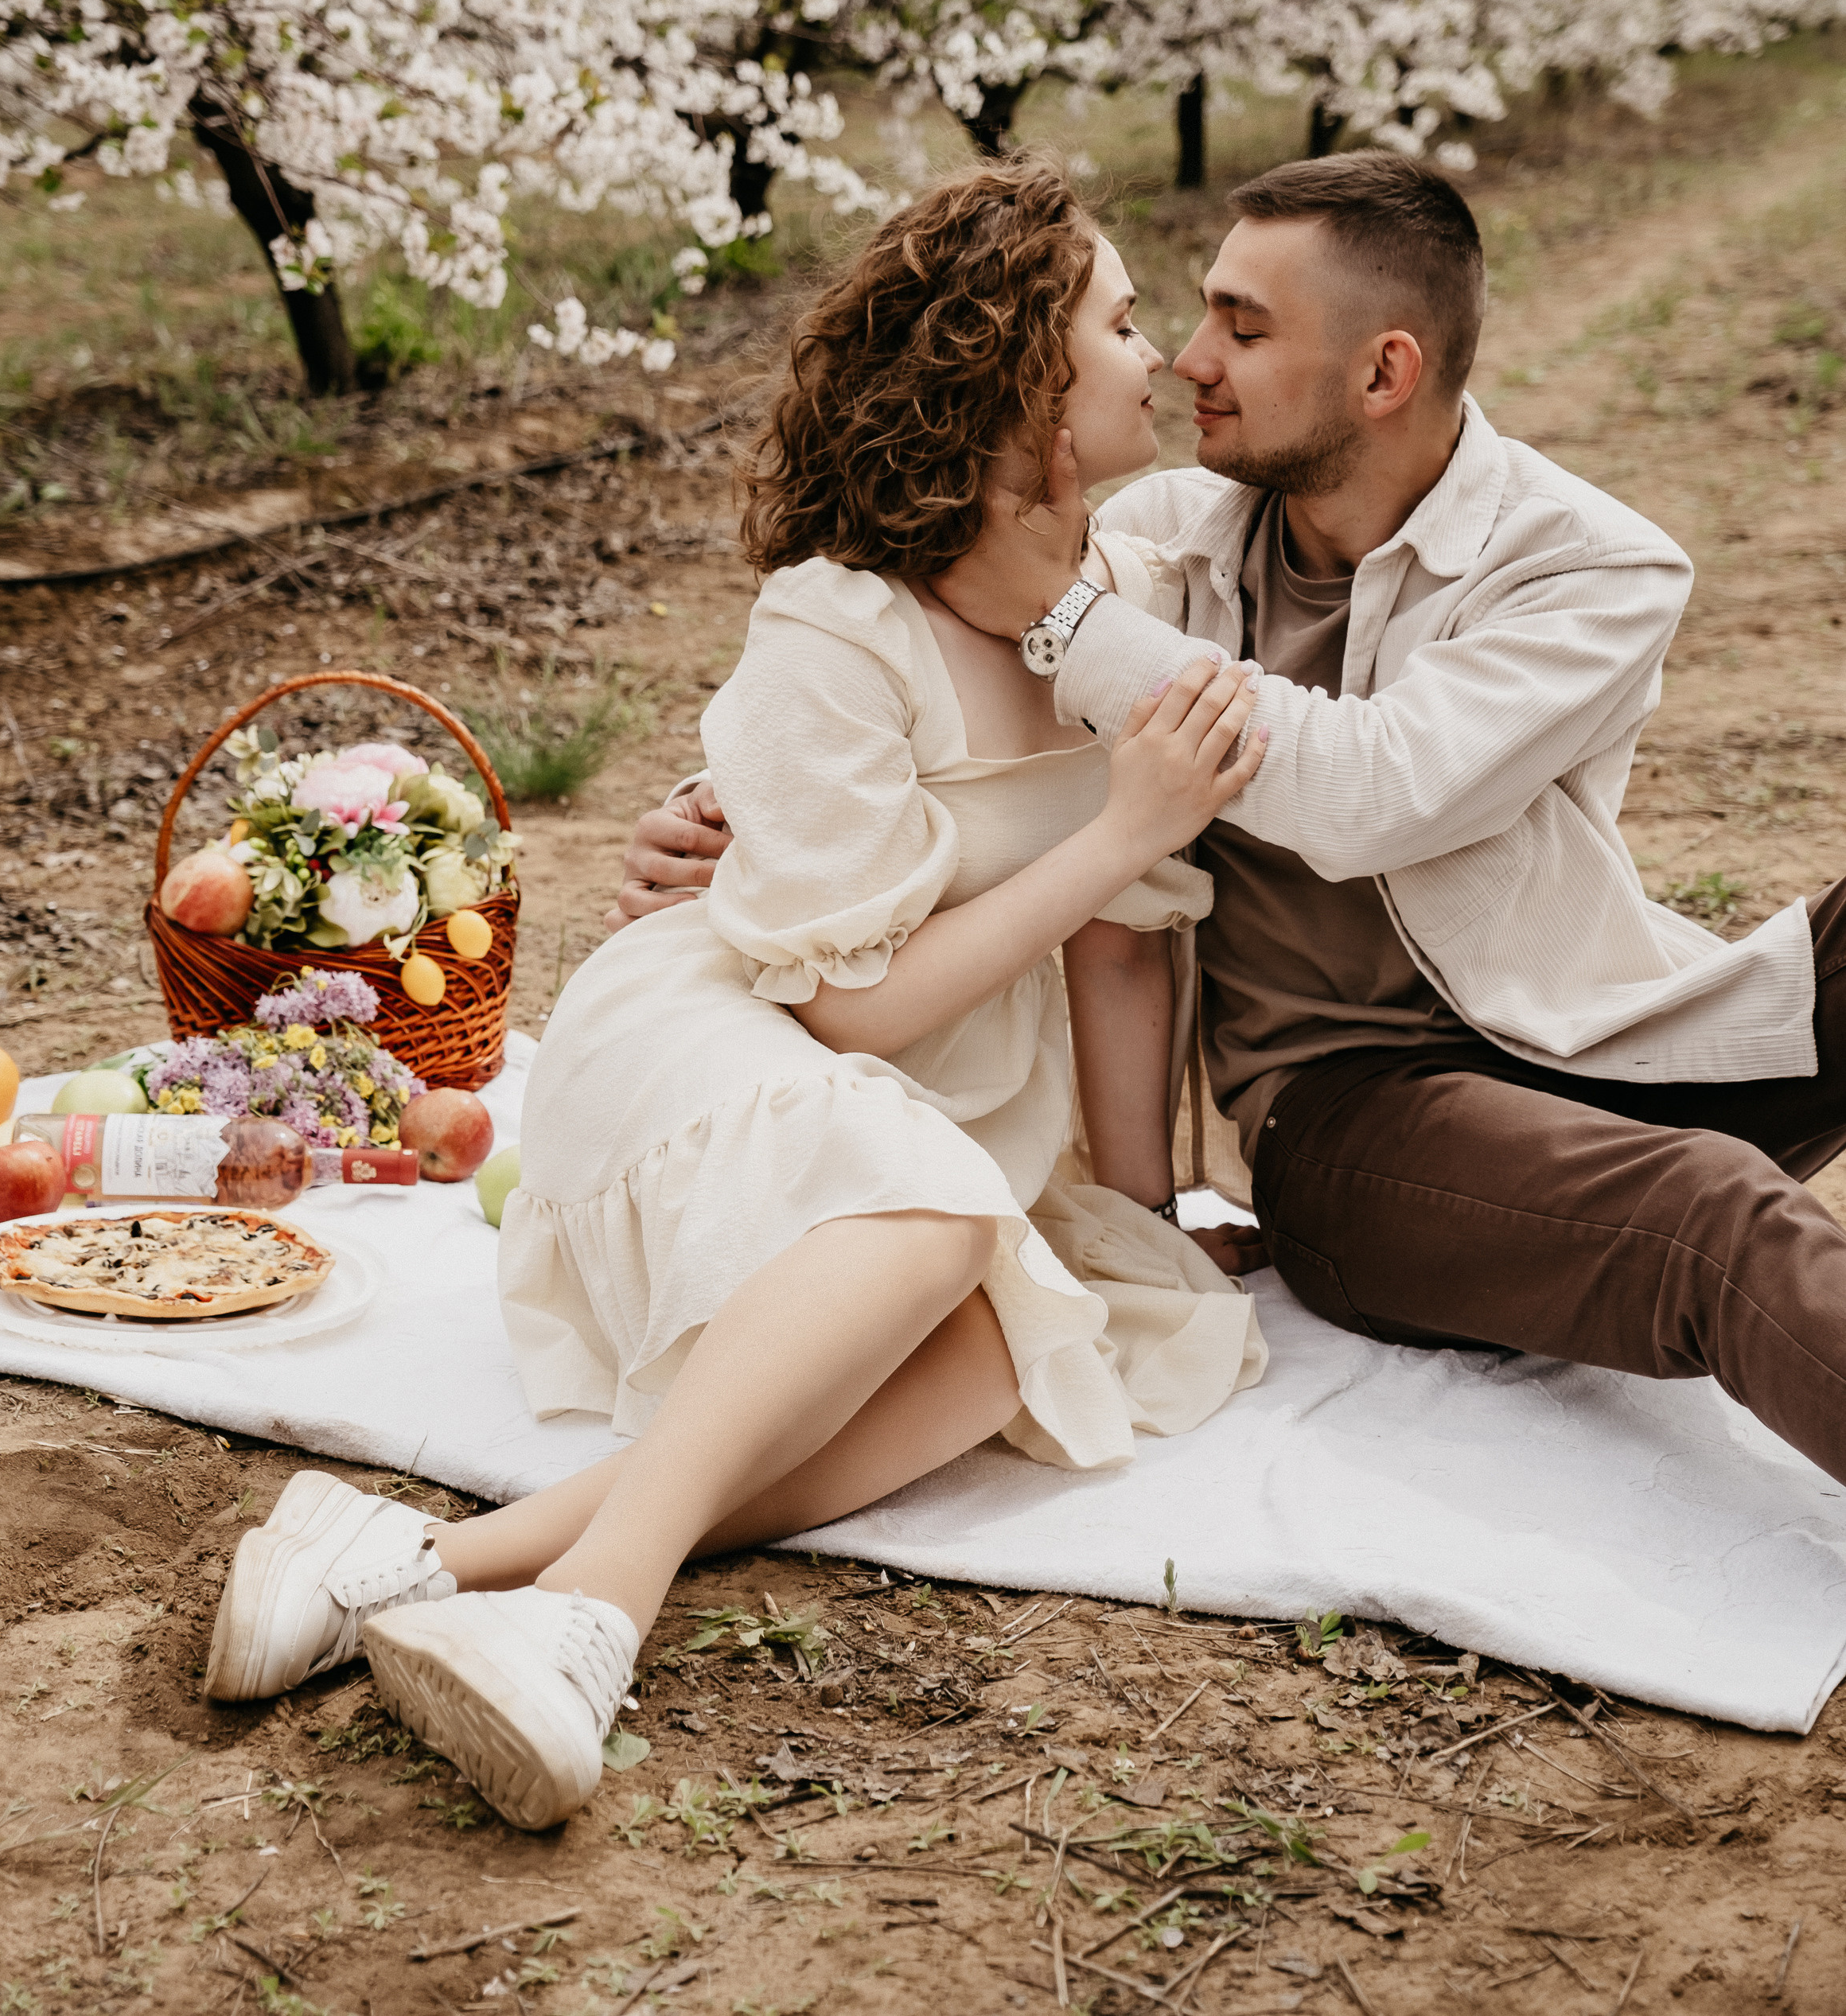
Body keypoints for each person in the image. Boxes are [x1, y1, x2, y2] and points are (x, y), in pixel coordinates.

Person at [201, 161, 1272, 1830]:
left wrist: (1136, 1207)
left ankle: (412, 1556)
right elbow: (849, 1008)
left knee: (1002, 1347)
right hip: (730, 1026)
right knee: (933, 1225)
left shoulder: (1114, 609)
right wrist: (1127, 820)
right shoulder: (837, 616)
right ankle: (590, 1620)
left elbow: (1121, 940)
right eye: (1126, 323)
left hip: (938, 1093)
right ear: (1019, 380)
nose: (1158, 356)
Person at [621, 149, 1846, 1509]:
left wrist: (1071, 623)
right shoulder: (1166, 538)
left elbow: (1366, 793)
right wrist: (715, 803)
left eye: (1243, 330)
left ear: (1383, 374)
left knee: (1703, 1148)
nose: (1187, 360)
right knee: (1713, 1223)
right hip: (1357, 1117)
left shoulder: (1588, 567)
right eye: (1186, 314)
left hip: (1580, 1046)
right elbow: (904, 662)